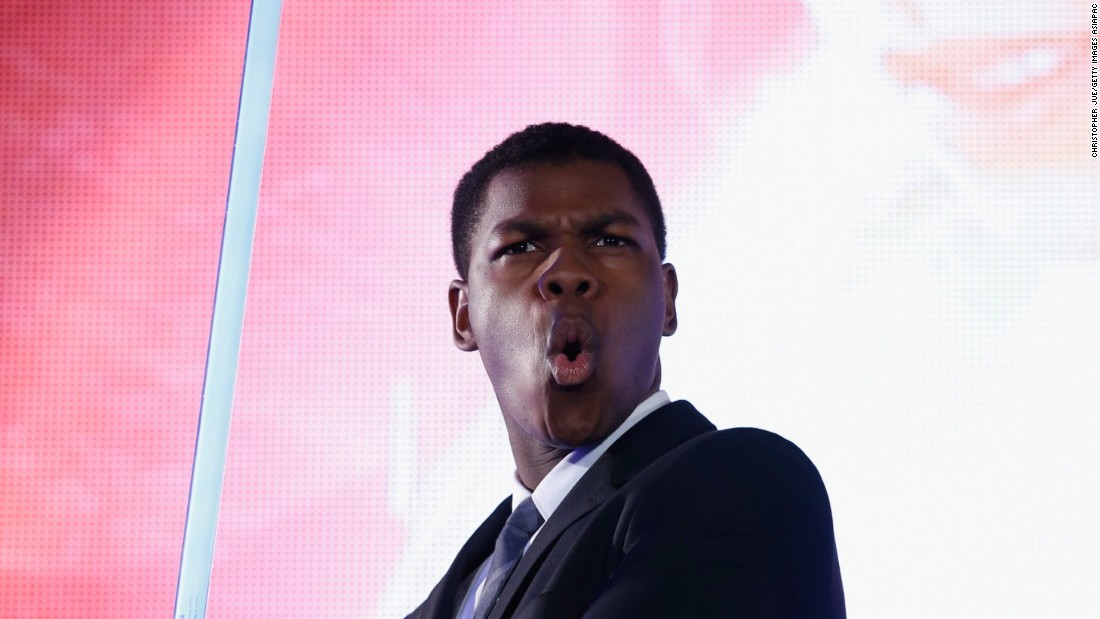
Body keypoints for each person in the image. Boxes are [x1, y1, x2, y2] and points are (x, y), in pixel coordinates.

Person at [408, 123, 844, 618]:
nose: (566, 272)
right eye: (520, 248)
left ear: (667, 300)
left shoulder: (744, 485)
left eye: (608, 241)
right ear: (464, 315)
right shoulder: (452, 594)